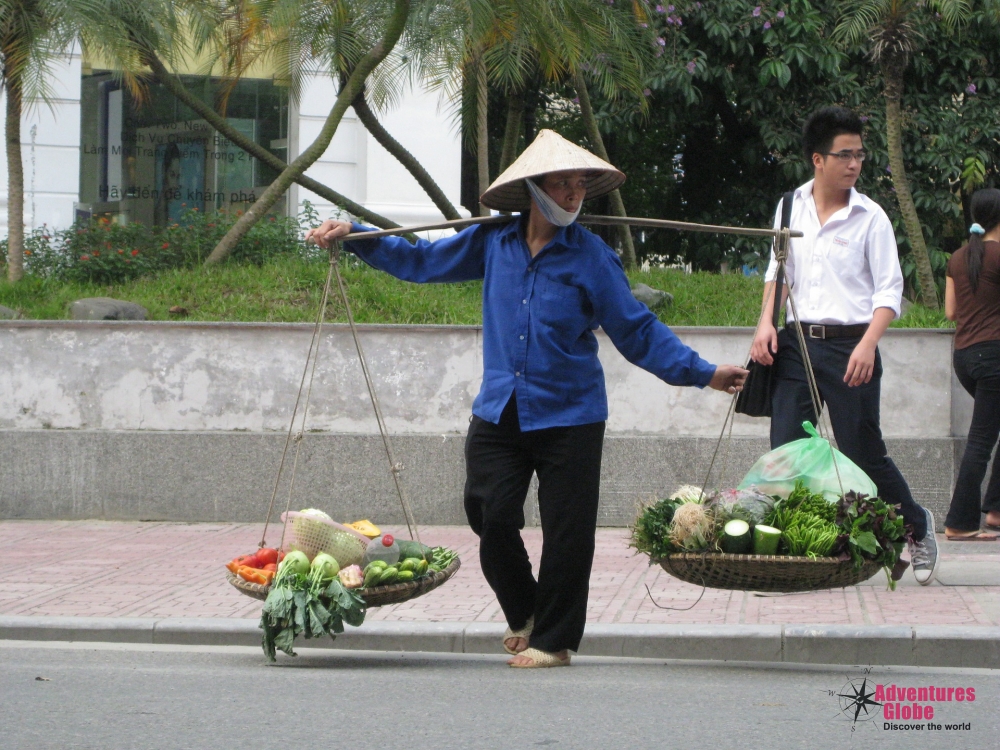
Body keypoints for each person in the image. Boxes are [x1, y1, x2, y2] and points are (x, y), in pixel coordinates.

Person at [306, 129, 748, 668]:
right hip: (500, 409)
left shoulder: (593, 258)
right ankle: (527, 611)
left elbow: (638, 331)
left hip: (572, 415)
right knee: (488, 512)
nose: (572, 195)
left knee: (567, 534)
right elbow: (421, 261)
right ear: (533, 190)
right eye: (561, 184)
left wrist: (704, 373)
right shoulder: (494, 241)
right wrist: (357, 235)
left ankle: (553, 641)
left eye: (579, 185)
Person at [750, 106, 939, 584]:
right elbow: (778, 272)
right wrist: (764, 324)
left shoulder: (870, 217)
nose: (855, 164)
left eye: (859, 154)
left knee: (862, 451)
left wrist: (869, 345)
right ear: (818, 159)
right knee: (788, 449)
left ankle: (917, 526)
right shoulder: (789, 206)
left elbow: (888, 291)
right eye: (845, 155)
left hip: (852, 346)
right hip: (795, 346)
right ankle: (796, 557)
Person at [943, 188, 1000, 541]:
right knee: (981, 439)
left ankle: (995, 512)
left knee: (986, 433)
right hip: (995, 356)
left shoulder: (958, 258)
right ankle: (960, 522)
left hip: (964, 356)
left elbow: (951, 312)